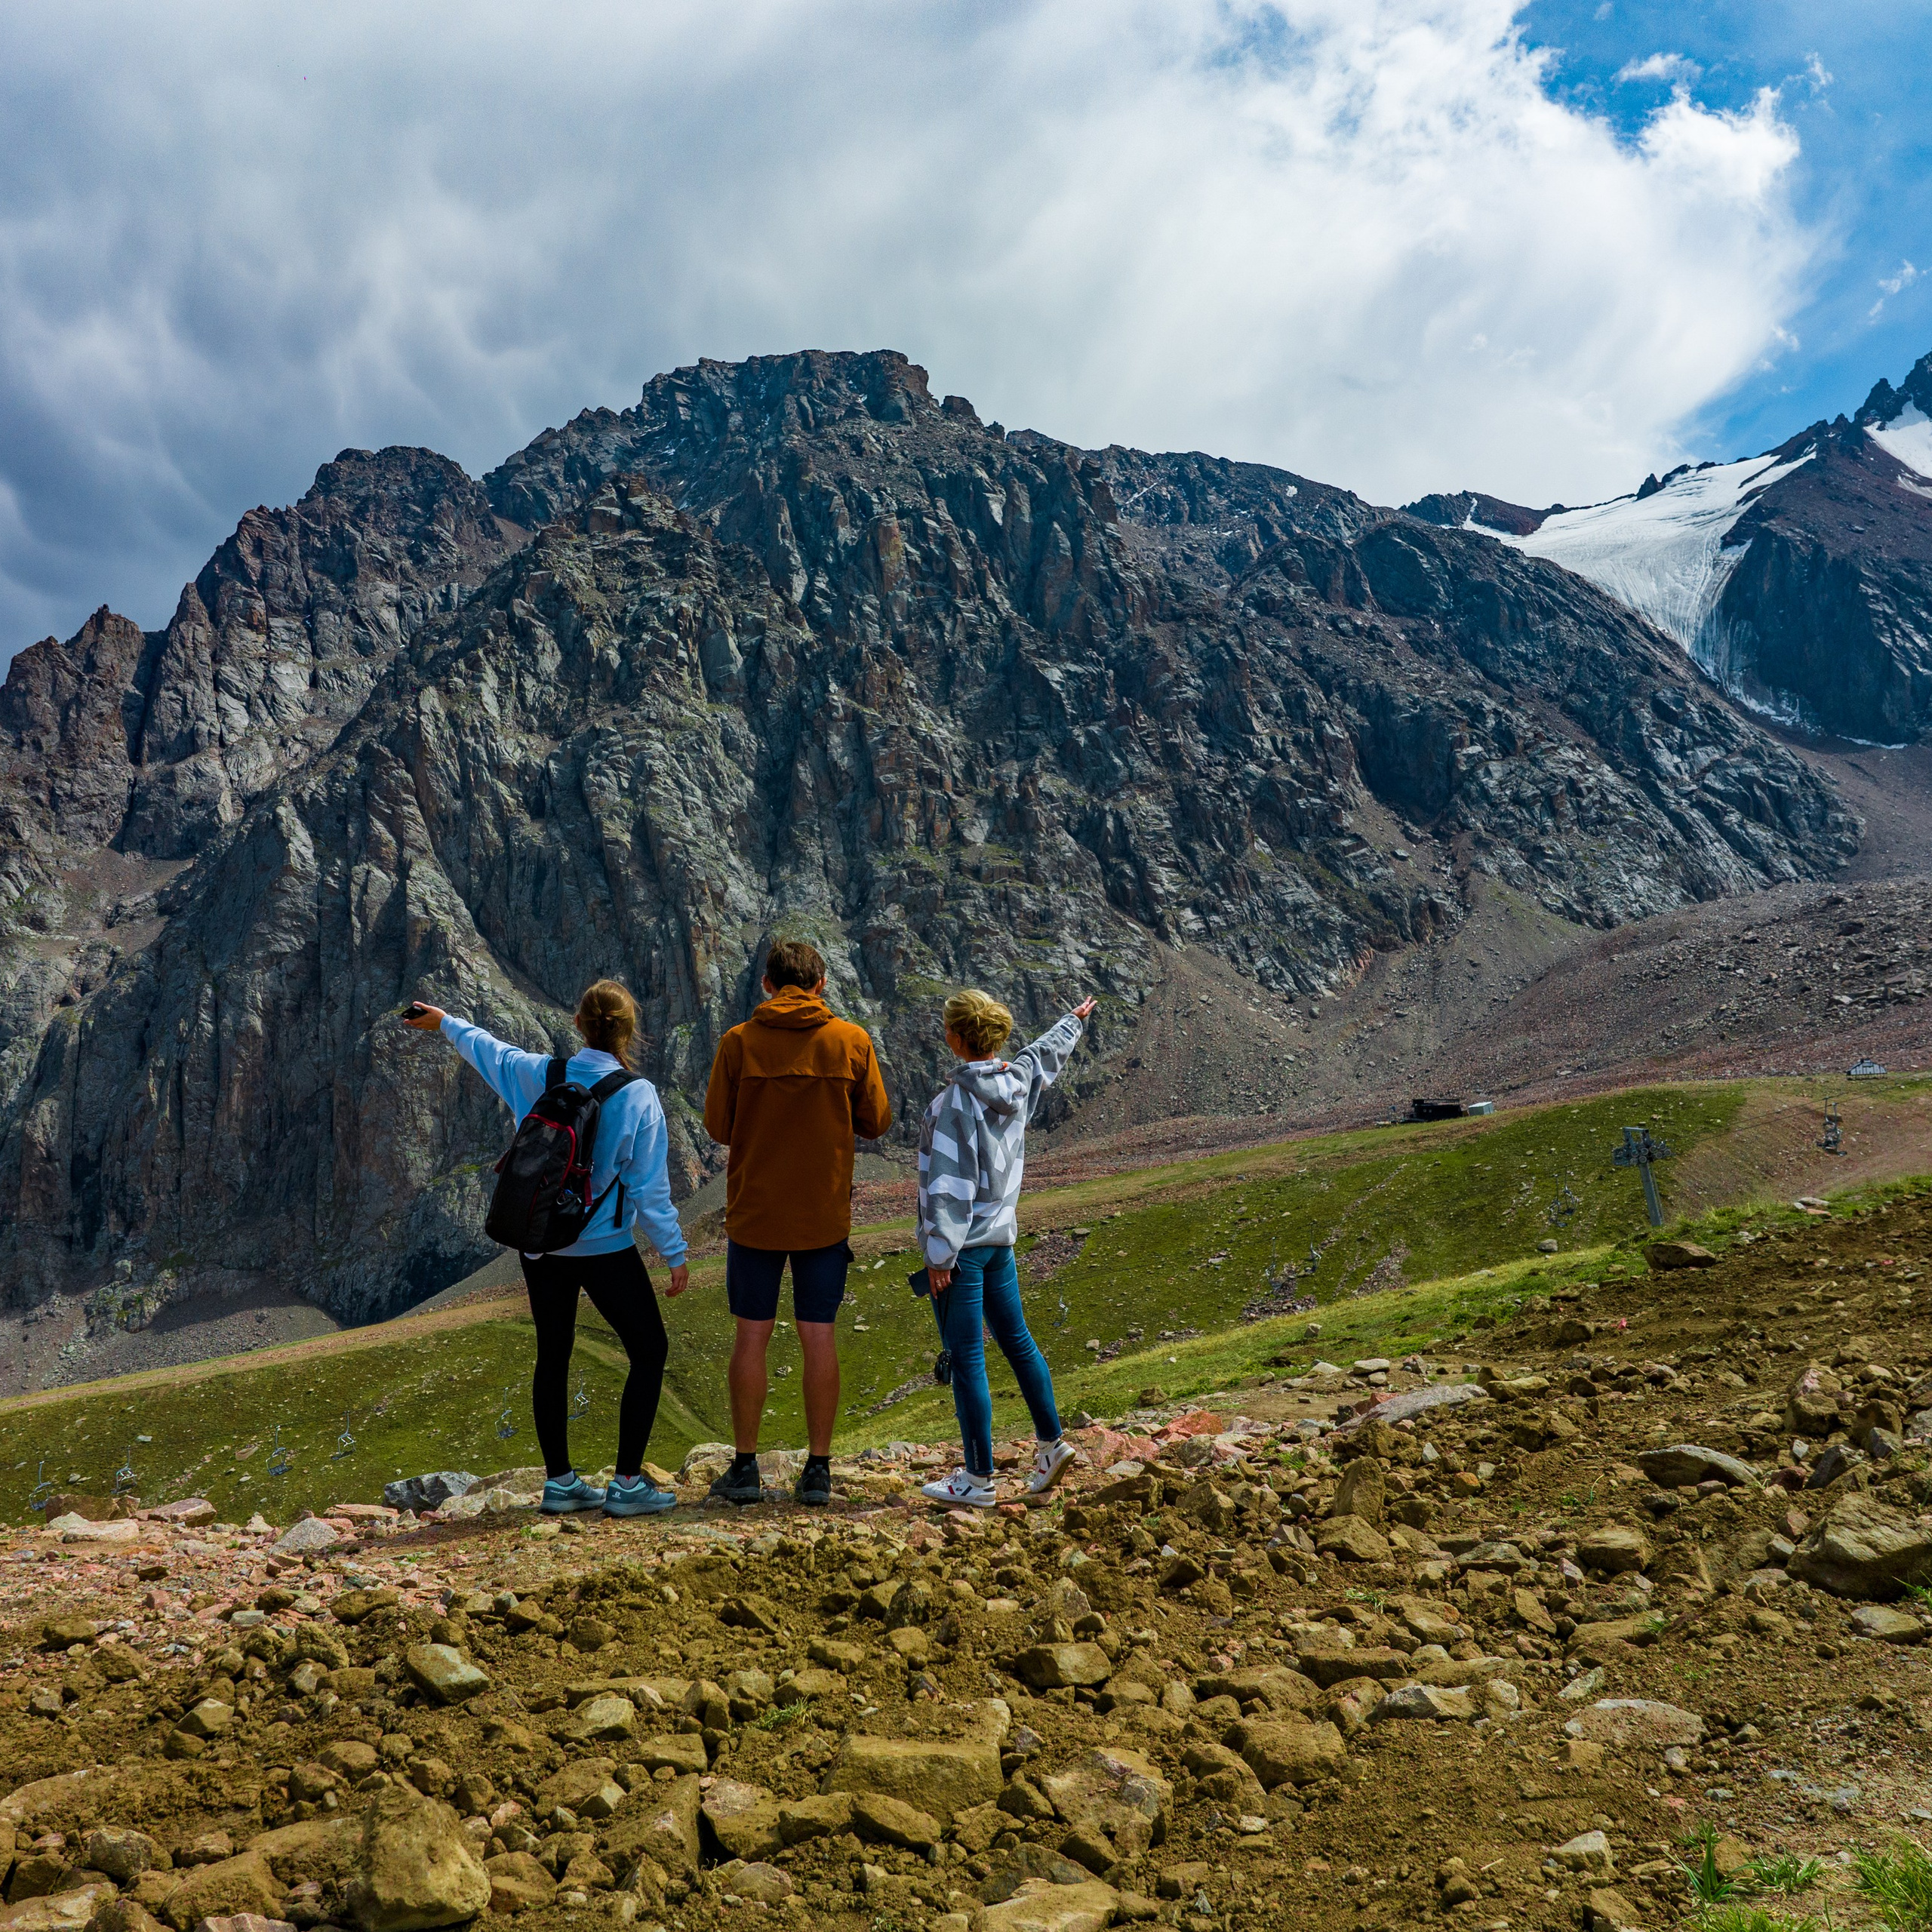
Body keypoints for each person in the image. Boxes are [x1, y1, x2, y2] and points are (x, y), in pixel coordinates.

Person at [406, 980, 688, 1517]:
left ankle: (561, 1483)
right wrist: (673, 1254)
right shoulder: (638, 1094)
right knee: (649, 1350)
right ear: (630, 1032)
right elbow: (651, 1190)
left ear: (577, 1025)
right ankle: (628, 1483)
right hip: (605, 1248)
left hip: (541, 1246)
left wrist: (442, 1021)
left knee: (552, 1356)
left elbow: (486, 1048)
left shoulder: (539, 1074)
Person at [702, 939, 892, 1506]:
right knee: (819, 1337)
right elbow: (877, 1122)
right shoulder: (851, 1041)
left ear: (766, 984)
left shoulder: (738, 1043)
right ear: (821, 984)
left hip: (755, 1216)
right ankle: (818, 1470)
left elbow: (717, 1126)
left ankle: (744, 1467)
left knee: (751, 1338)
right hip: (824, 1218)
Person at [915, 989, 1097, 1507]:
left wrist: (939, 1257)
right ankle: (1051, 1445)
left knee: (968, 1356)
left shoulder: (951, 1105)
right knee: (1018, 1342)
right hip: (1002, 1241)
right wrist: (1071, 1023)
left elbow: (947, 1188)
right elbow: (1039, 1059)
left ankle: (976, 1480)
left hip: (964, 1249)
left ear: (954, 1037)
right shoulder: (1014, 1083)